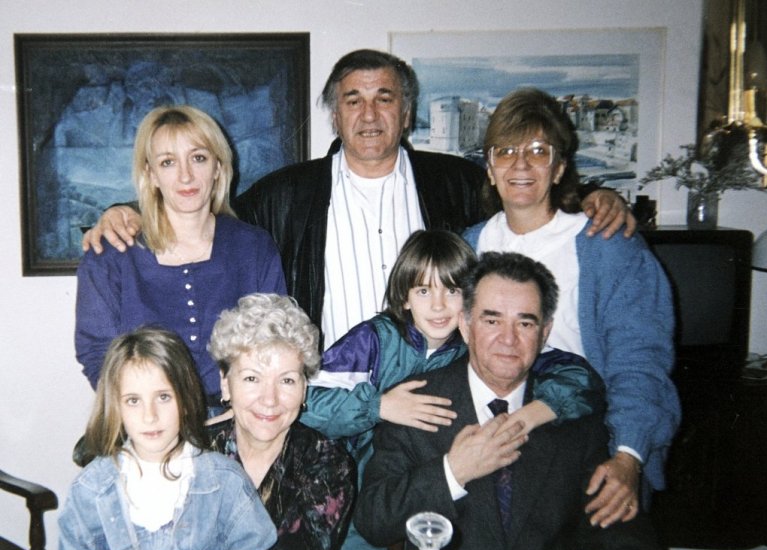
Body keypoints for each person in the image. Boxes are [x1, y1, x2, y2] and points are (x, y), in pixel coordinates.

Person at [82, 50, 634, 350]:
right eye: (353, 100)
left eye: (384, 98)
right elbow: (198, 209)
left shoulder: (458, 183)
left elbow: (526, 195)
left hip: (435, 392)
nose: (369, 114)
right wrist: (125, 210)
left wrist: (593, 196)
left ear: (406, 112)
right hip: (330, 398)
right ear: (335, 114)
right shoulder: (285, 195)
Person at [354, 252, 684, 550]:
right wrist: (453, 471)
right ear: (465, 325)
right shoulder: (415, 403)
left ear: (545, 332)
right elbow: (374, 520)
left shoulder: (573, 414)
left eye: (525, 323)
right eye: (492, 320)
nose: (508, 339)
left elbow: (614, 518)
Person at [301, 230, 604, 550]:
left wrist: (533, 414)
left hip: (430, 481)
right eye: (423, 291)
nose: (438, 305)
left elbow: (580, 379)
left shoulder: (476, 344)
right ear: (404, 297)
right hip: (352, 477)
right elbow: (302, 400)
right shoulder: (375, 340)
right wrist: (378, 406)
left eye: (451, 290)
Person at [62, 294, 355, 550]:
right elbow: (103, 466)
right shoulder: (193, 447)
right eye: (251, 378)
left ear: (304, 387)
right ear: (225, 384)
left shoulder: (326, 463)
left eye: (287, 380)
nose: (270, 399)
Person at [463, 88, 680, 527]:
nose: (520, 165)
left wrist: (628, 456)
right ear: (489, 167)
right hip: (494, 441)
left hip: (588, 440)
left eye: (538, 151)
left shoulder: (607, 247)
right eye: (506, 151)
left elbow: (640, 359)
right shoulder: (469, 246)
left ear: (559, 167)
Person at [58, 327, 277, 550]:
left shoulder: (224, 482)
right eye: (133, 400)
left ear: (185, 399)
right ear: (115, 406)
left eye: (163, 397)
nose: (150, 416)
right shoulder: (91, 491)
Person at [75, 104, 286, 404]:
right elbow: (97, 353)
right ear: (151, 174)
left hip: (238, 418)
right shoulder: (111, 255)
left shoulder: (254, 248)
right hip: (145, 421)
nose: (186, 176)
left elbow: (274, 345)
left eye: (198, 158)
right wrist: (146, 414)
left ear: (218, 167)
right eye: (168, 162)